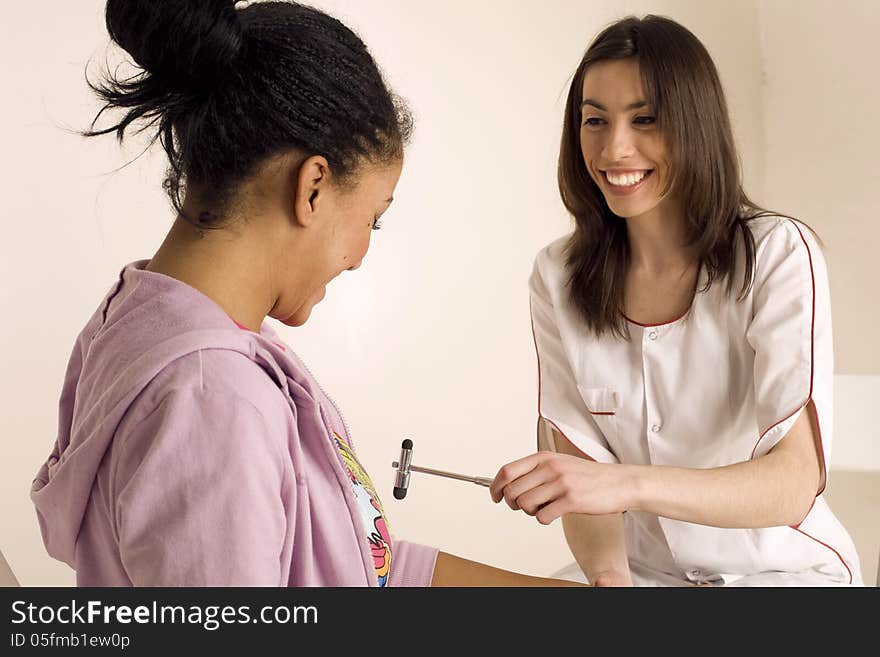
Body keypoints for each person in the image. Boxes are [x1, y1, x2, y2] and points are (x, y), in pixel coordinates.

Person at [30, 0, 583, 588]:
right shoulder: (212, 400)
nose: (360, 256)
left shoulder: (141, 318)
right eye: (372, 219)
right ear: (313, 187)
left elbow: (360, 567)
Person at [490, 15, 863, 587]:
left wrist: (629, 483)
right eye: (595, 120)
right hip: (641, 574)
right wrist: (610, 579)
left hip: (782, 573)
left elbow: (793, 482)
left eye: (646, 119)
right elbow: (583, 468)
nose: (615, 148)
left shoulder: (777, 254)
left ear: (694, 124)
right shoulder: (557, 276)